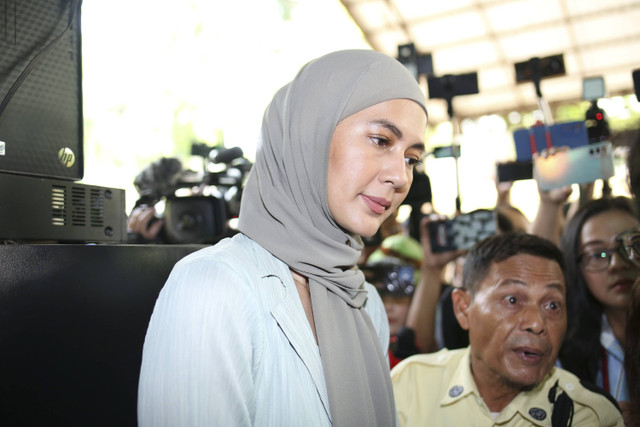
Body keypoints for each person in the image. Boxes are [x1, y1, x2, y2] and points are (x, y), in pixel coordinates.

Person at [137, 49, 428, 426]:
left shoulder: (364, 302)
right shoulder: (212, 287)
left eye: (411, 158)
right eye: (380, 140)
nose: (401, 177)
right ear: (310, 134)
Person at [391, 232, 624, 426]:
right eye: (512, 300)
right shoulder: (410, 387)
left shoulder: (591, 415)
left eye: (552, 305)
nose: (536, 323)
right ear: (463, 309)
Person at [557, 196, 640, 424]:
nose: (617, 265)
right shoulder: (563, 349)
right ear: (576, 267)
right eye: (598, 254)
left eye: (632, 245)